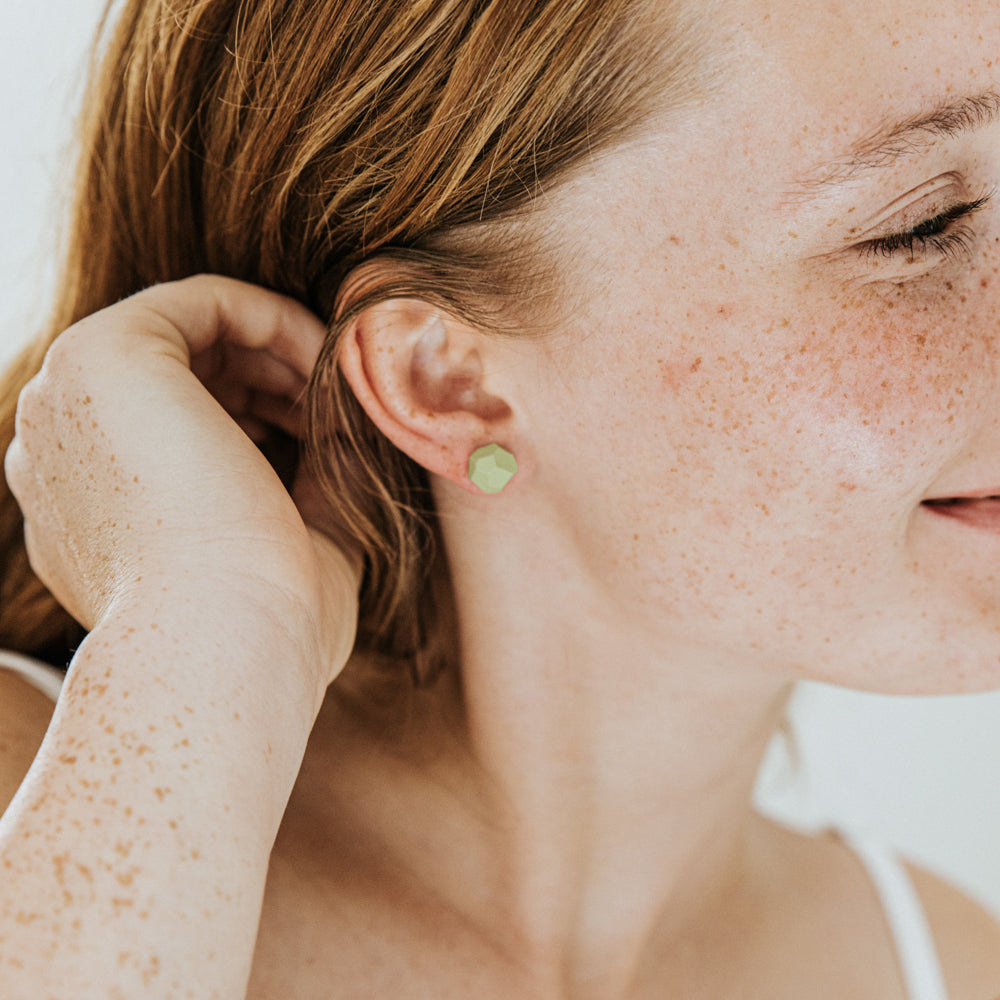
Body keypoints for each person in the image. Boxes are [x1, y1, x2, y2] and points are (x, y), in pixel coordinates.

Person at [2, 0, 1000, 996]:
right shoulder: (37, 809)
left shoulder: (946, 966)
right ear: (445, 385)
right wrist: (209, 611)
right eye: (921, 226)